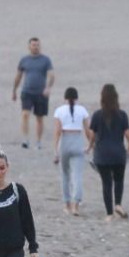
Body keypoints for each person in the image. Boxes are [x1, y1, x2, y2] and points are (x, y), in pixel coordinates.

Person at [89, 83, 129, 221]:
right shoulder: (122, 115)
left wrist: (90, 146)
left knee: (106, 183)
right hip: (118, 154)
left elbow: (92, 135)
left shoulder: (97, 115)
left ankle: (109, 214)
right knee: (119, 180)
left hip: (102, 154)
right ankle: (118, 204)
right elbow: (128, 134)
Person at [51, 87, 91, 216]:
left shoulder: (59, 111)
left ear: (65, 98)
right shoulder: (82, 110)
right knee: (77, 175)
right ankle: (76, 205)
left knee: (65, 175)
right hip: (78, 140)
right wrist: (91, 146)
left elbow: (57, 132)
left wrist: (55, 150)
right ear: (76, 98)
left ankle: (67, 204)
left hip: (65, 141)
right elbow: (88, 131)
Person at [11, 38, 54, 150]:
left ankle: (39, 142)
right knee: (25, 114)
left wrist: (48, 88)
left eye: (37, 45)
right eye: (33, 45)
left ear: (40, 46)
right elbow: (18, 76)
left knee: (39, 118)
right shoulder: (24, 60)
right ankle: (25, 140)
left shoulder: (46, 60)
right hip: (27, 92)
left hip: (41, 93)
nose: (36, 47)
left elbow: (51, 75)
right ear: (29, 46)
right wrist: (14, 90)